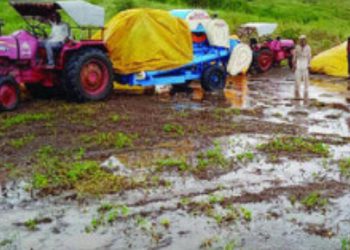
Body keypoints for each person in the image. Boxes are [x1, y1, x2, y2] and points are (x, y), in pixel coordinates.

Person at [293, 35, 312, 100]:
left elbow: (309, 56)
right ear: (300, 41)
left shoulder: (308, 47)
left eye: (304, 40)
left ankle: (306, 90)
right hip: (299, 62)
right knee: (297, 77)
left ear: (305, 40)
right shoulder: (297, 47)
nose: (302, 41)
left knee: (306, 77)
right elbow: (295, 56)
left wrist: (309, 64)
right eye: (301, 40)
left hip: (305, 62)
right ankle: (297, 90)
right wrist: (294, 64)